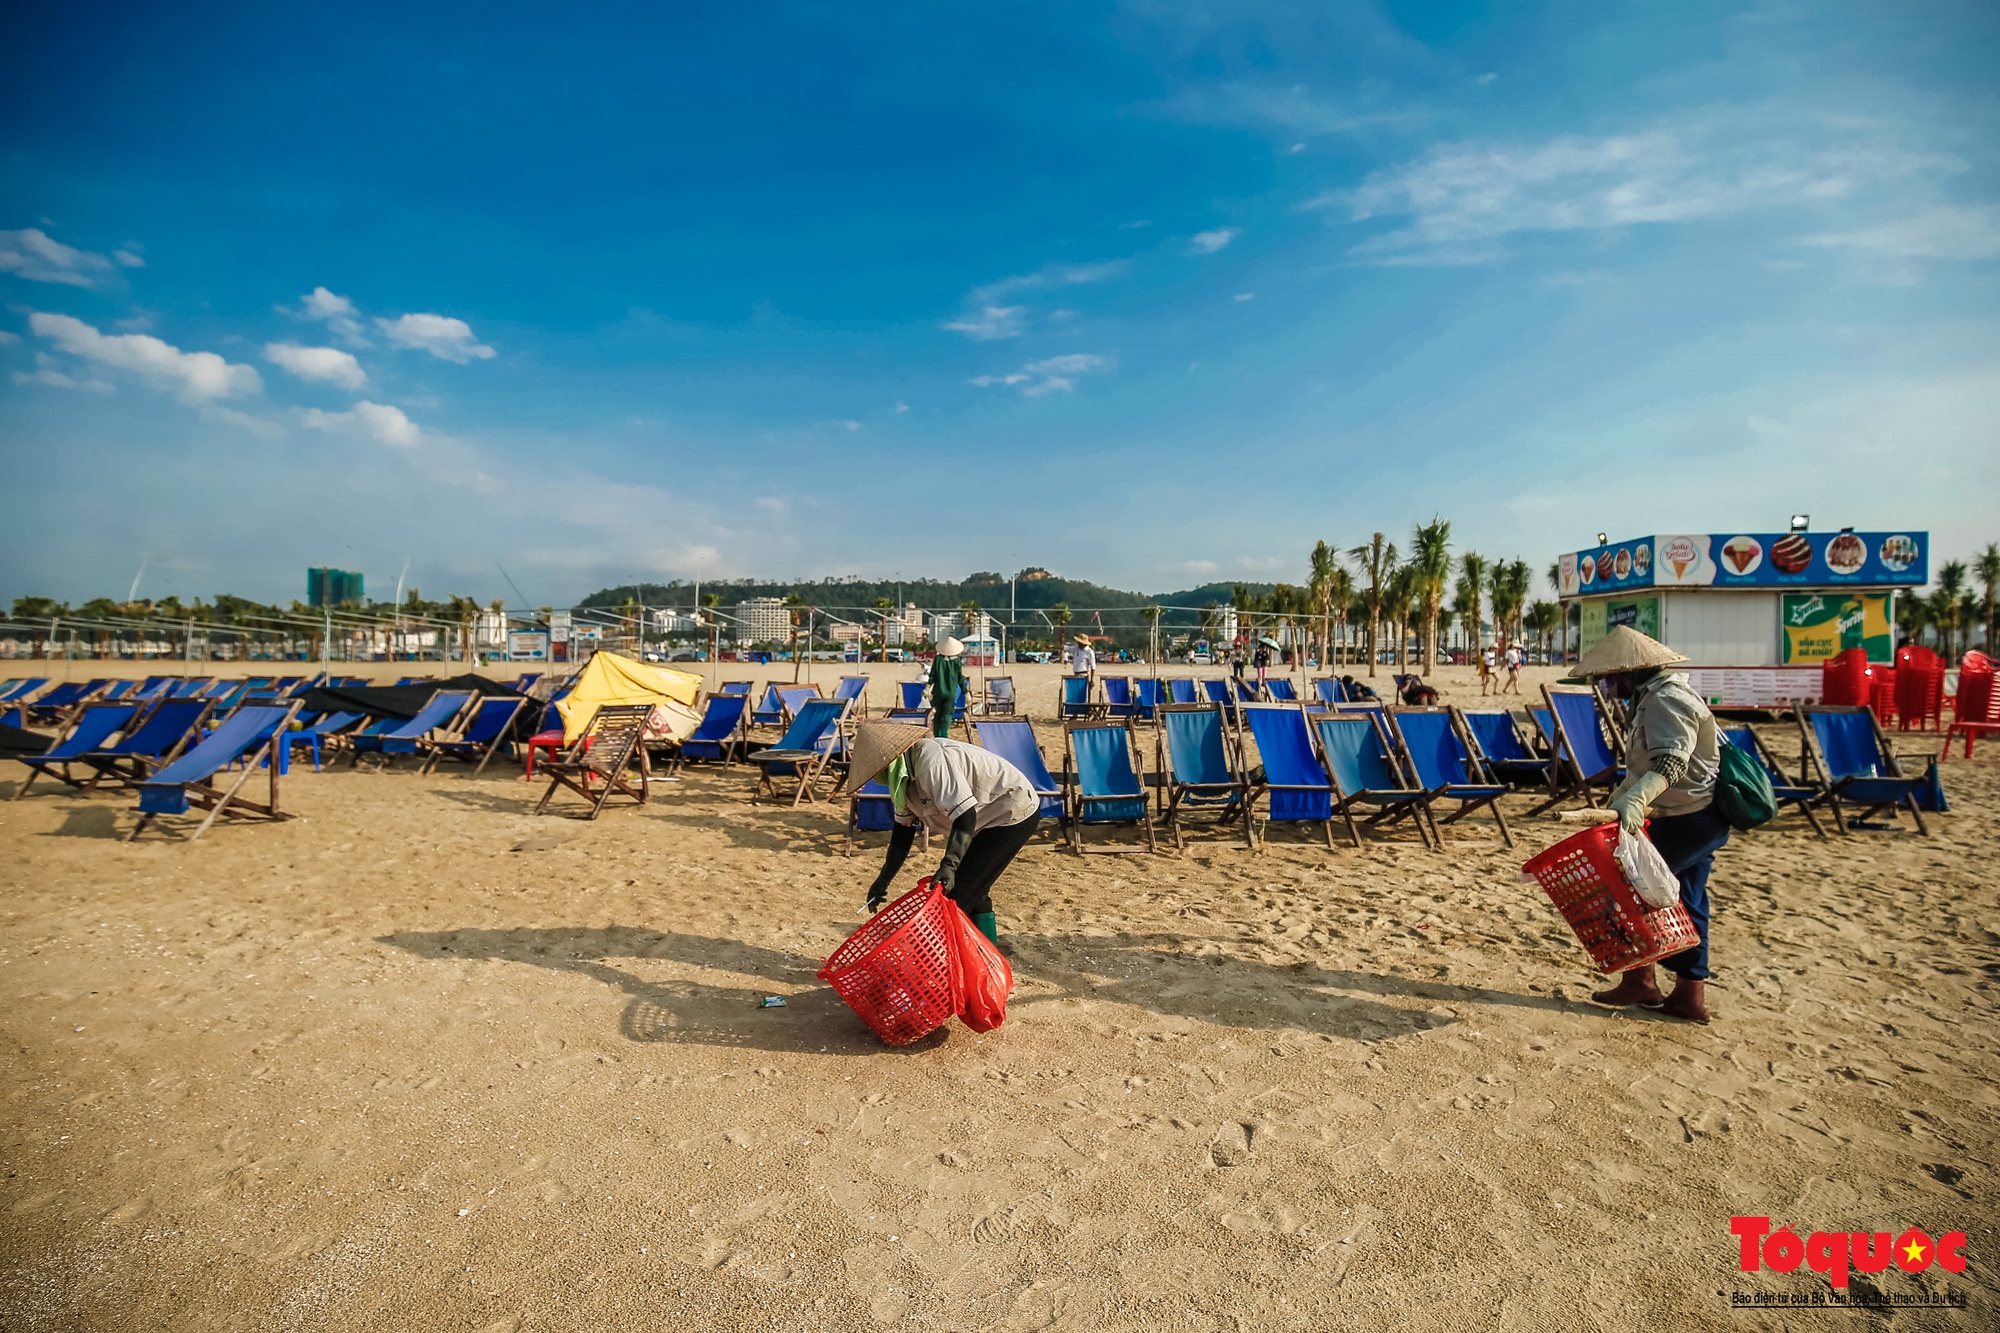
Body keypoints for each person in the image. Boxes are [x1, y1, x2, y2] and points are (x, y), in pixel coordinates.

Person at [1578, 626, 1725, 1024]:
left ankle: (1640, 978)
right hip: (1694, 814)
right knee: (1689, 899)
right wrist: (1626, 792)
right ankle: (1689, 995)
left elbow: (1671, 762)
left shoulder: (1667, 699)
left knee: (1632, 888)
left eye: (1613, 677)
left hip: (1687, 815)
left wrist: (1638, 798)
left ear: (1634, 671)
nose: (1610, 685)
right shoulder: (1655, 697)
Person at [838, 720, 1040, 946]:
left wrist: (949, 865)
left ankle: (957, 961)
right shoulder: (901, 781)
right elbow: (902, 834)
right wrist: (882, 881)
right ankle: (989, 954)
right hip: (981, 821)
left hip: (1010, 810)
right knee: (975, 889)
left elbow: (965, 815)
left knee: (956, 896)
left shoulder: (931, 761)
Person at [927, 636, 966, 739]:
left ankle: (937, 735)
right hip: (950, 693)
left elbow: (932, 675)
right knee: (947, 715)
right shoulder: (956, 661)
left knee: (938, 714)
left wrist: (928, 687)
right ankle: (944, 735)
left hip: (938, 692)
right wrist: (966, 692)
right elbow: (960, 678)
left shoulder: (938, 659)